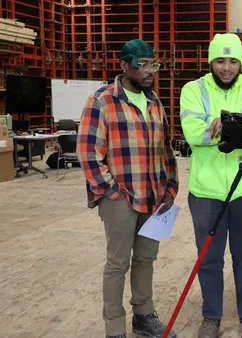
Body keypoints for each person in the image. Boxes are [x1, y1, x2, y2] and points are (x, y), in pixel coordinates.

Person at [77, 38, 179, 338]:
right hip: (120, 197)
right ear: (124, 66)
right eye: (142, 64)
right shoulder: (102, 101)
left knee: (146, 258)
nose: (150, 71)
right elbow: (87, 151)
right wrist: (111, 192)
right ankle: (115, 328)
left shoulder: (154, 102)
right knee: (118, 264)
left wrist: (170, 187)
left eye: (153, 65)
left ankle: (143, 315)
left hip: (155, 196)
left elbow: (166, 149)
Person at [179, 33, 242, 338]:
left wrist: (224, 127)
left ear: (241, 63)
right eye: (221, 60)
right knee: (209, 257)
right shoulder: (193, 90)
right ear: (211, 61)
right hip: (206, 191)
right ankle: (211, 316)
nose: (227, 67)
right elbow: (193, 134)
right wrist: (236, 130)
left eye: (233, 61)